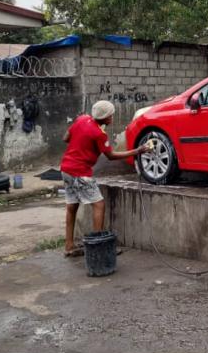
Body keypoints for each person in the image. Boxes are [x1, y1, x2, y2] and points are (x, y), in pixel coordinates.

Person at [60, 100, 151, 256]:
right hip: (80, 172)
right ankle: (99, 246)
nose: (113, 117)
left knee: (72, 206)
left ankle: (69, 246)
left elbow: (66, 138)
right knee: (99, 205)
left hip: (66, 169)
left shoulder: (82, 119)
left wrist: (82, 144)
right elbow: (111, 155)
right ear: (106, 117)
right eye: (111, 115)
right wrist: (138, 151)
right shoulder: (99, 134)